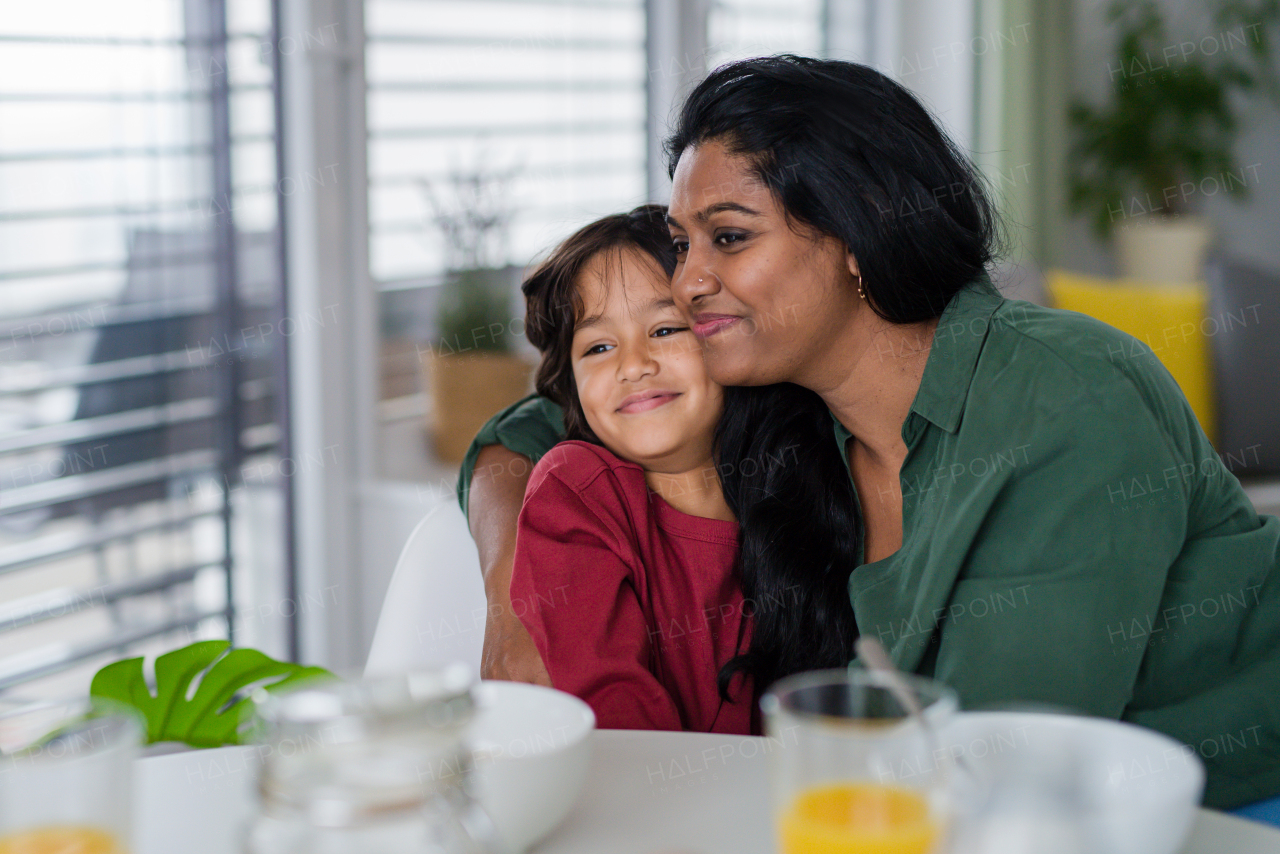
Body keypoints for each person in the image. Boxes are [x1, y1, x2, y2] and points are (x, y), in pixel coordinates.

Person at [461, 56, 1280, 809]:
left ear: (858, 234)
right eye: (682, 243)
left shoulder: (1060, 396)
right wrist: (509, 590)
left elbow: (997, 771)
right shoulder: (786, 397)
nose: (688, 281)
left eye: (730, 237)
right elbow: (539, 422)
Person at [505, 204, 858, 733]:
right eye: (598, 346)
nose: (633, 365)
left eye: (666, 330)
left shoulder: (808, 485)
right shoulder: (576, 491)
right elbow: (616, 716)